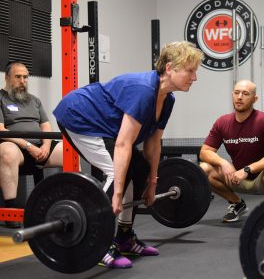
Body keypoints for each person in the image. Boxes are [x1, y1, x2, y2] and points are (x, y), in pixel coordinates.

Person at [53, 41, 204, 269]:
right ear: (171, 68)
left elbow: (153, 144)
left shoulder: (167, 100)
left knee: (139, 169)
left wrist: (153, 181)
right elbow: (123, 144)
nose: (195, 78)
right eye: (190, 71)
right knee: (116, 173)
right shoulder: (143, 91)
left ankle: (124, 238)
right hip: (79, 117)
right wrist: (117, 194)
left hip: (106, 127)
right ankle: (97, 245)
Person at [199, 80, 264, 223]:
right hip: (235, 176)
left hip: (262, 179)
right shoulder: (222, 122)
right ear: (232, 95)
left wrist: (248, 169)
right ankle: (237, 203)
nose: (239, 97)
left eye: (245, 94)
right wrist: (223, 163)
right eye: (236, 92)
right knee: (203, 169)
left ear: (254, 99)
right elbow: (204, 152)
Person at [0, 61, 63, 228]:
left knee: (69, 150)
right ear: (7, 78)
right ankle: (11, 211)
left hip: (40, 146)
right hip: (16, 147)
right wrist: (29, 146)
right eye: (18, 77)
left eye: (25, 77)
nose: (23, 81)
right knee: (7, 152)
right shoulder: (0, 98)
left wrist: (46, 146)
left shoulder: (34, 100)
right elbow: (1, 130)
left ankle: (70, 201)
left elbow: (46, 126)